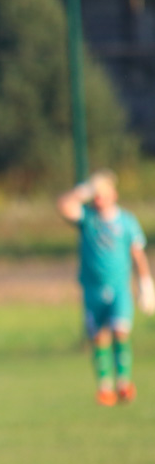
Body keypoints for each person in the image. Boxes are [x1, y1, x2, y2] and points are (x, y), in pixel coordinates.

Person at [57, 170, 154, 406]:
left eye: (102, 194)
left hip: (119, 287)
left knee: (120, 331)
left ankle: (124, 382)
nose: (98, 199)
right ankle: (105, 387)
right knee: (99, 337)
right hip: (92, 288)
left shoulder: (126, 221)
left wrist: (145, 283)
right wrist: (85, 189)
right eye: (96, 195)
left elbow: (137, 253)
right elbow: (64, 206)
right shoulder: (87, 219)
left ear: (114, 195)